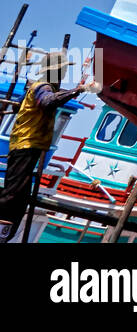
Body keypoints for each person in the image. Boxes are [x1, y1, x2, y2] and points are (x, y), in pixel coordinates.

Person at [0, 51, 86, 242]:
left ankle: (6, 233)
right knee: (14, 194)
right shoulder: (43, 88)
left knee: (19, 196)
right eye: (61, 70)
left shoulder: (38, 87)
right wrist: (76, 90)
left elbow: (19, 106)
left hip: (26, 145)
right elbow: (48, 102)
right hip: (27, 145)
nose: (63, 74)